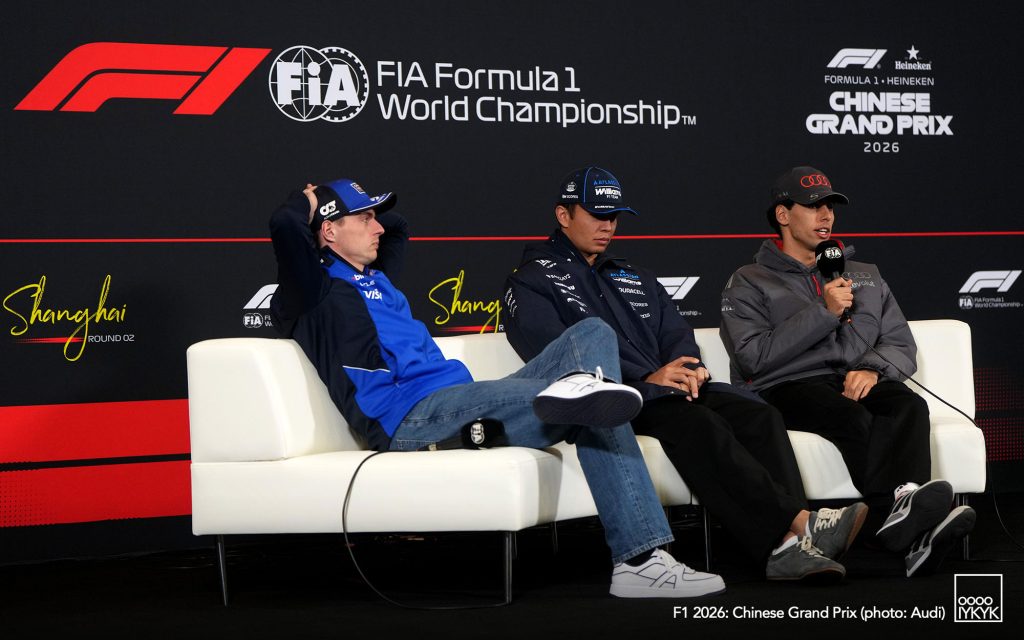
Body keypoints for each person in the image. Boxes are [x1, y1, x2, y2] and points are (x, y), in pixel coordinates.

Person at [269, 176, 726, 598]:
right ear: (328, 231)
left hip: (458, 398)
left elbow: (398, 225)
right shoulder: (313, 291)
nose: (379, 228)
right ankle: (640, 561)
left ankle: (589, 394)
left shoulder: (375, 276)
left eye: (374, 216)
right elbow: (285, 226)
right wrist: (307, 201)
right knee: (592, 401)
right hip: (410, 418)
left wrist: (350, 206)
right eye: (365, 218)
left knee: (592, 334)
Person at [504, 166, 868, 583]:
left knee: (758, 415)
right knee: (695, 423)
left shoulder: (632, 275)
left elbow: (677, 334)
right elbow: (557, 358)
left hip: (672, 390)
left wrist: (688, 370)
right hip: (614, 400)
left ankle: (794, 544)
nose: (608, 226)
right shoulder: (531, 279)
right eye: (597, 215)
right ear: (563, 215)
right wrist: (647, 382)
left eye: (614, 216)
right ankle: (797, 530)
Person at [719, 165, 976, 577]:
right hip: (785, 385)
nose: (826, 216)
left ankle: (905, 509)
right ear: (783, 215)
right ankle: (906, 527)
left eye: (830, 207)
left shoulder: (864, 275)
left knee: (907, 405)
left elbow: (898, 342)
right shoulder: (749, 281)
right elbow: (752, 357)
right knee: (850, 416)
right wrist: (823, 311)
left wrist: (872, 369)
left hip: (854, 377)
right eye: (813, 207)